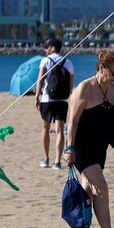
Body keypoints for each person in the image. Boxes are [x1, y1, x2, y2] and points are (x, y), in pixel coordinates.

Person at [64, 50, 114, 228]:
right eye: (113, 73)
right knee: (100, 186)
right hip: (81, 147)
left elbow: (110, 120)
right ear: (101, 68)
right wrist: (69, 148)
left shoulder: (112, 90)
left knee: (87, 187)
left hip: (99, 147)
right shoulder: (84, 88)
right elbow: (72, 121)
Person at [35, 38, 75, 170]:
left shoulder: (45, 61)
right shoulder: (68, 62)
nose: (45, 50)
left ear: (52, 47)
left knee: (45, 128)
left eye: (46, 47)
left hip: (47, 99)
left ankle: (46, 159)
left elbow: (40, 79)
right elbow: (71, 85)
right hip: (62, 101)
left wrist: (37, 96)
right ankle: (57, 162)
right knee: (59, 131)